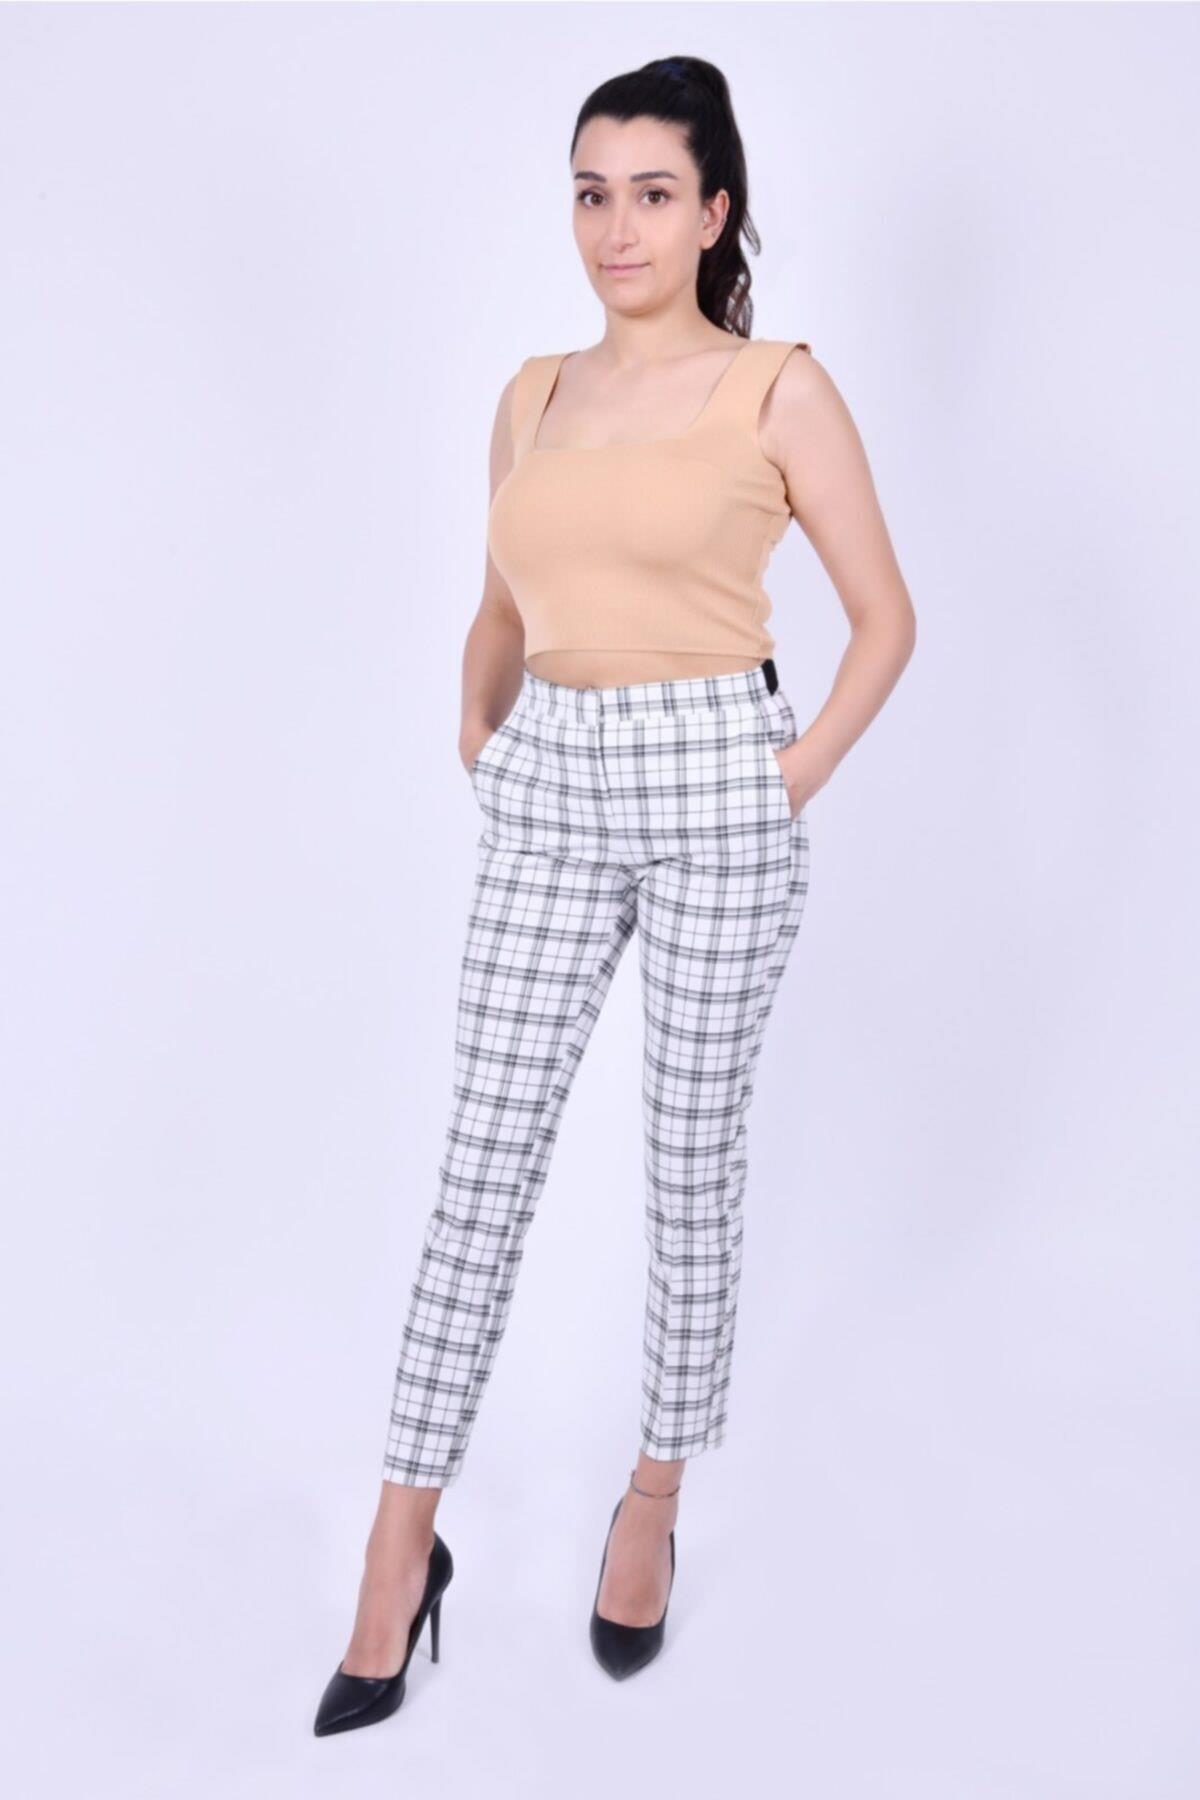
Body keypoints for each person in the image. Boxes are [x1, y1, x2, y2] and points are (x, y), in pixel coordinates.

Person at [314, 52, 916, 1735]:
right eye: (592, 193)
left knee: (688, 1162)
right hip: (553, 785)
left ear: (715, 211)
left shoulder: (778, 389)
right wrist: (480, 731)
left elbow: (886, 621)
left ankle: (653, 1496)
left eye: (653, 193)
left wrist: (778, 782)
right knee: (481, 1163)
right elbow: (502, 604)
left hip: (720, 776)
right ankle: (398, 1545)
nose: (617, 227)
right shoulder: (531, 396)